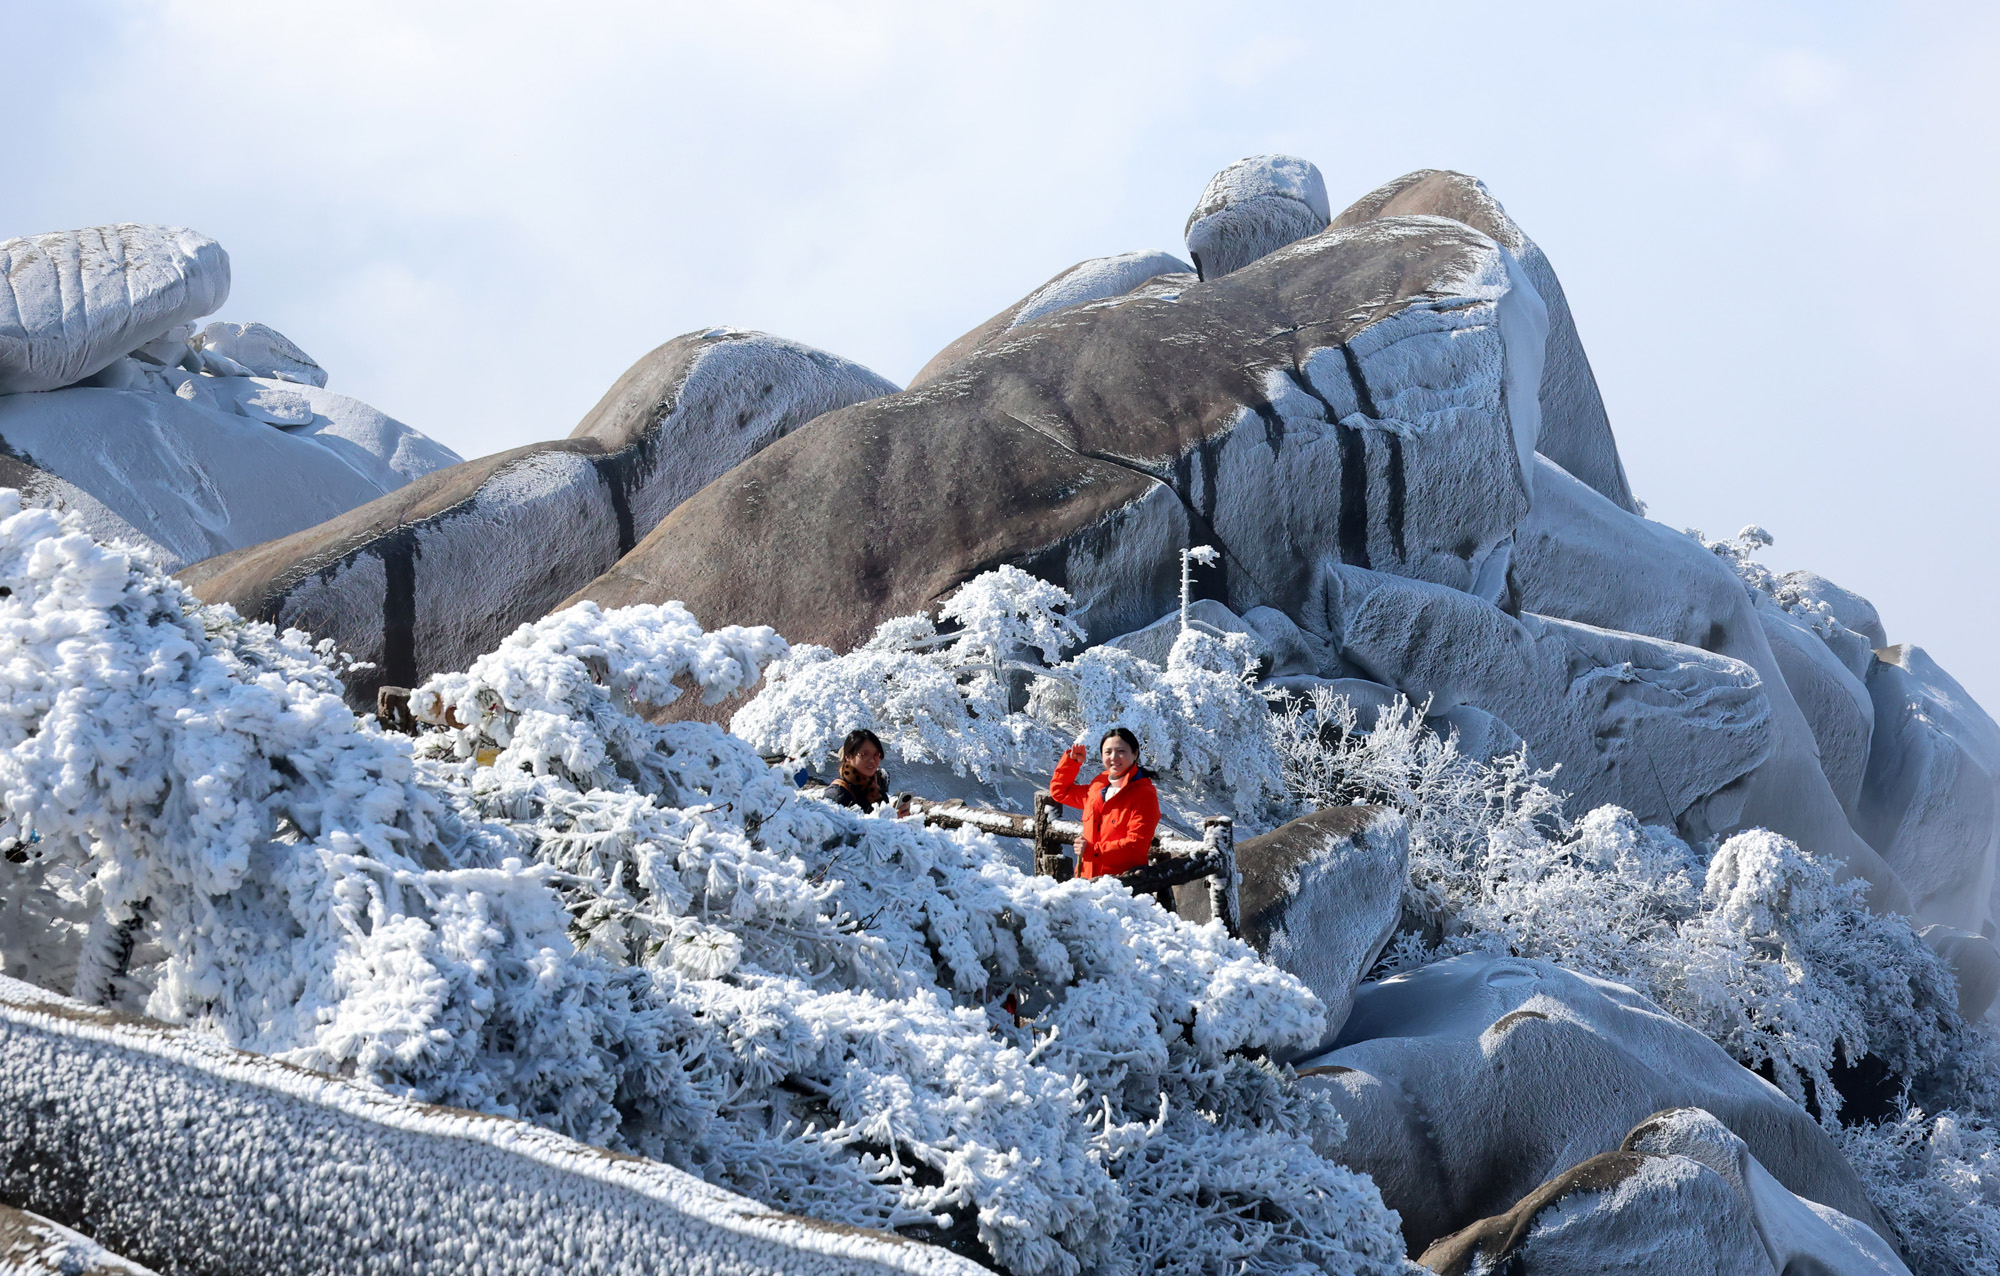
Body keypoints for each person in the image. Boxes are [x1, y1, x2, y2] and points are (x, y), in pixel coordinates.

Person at [1049, 727, 1161, 879]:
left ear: (1135, 754)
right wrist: (1072, 762)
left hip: (1121, 886)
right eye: (1108, 752)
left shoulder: (1144, 794)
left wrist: (1092, 851)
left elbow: (1136, 845)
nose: (1114, 757)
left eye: (1121, 751)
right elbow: (1060, 792)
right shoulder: (1099, 786)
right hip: (1086, 879)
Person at [825, 728, 892, 812]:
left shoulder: (877, 791)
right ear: (848, 756)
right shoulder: (837, 794)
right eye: (865, 754)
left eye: (876, 755)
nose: (872, 760)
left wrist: (899, 818)